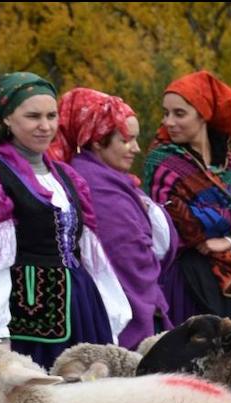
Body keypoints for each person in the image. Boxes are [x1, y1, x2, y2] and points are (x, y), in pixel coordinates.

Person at [0, 73, 129, 367]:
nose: (45, 126)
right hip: (22, 317)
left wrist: (109, 313)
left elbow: (89, 253)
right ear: (7, 119)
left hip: (81, 305)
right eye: (33, 116)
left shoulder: (67, 176)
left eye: (51, 115)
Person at [143, 71, 231, 339]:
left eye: (179, 114)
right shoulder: (162, 162)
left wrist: (230, 242)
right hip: (188, 280)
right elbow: (175, 223)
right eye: (166, 113)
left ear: (203, 114)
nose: (168, 122)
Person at [50, 87, 178, 351]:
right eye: (126, 140)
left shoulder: (116, 181)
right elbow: (127, 257)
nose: (136, 148)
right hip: (126, 315)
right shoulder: (96, 186)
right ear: (97, 141)